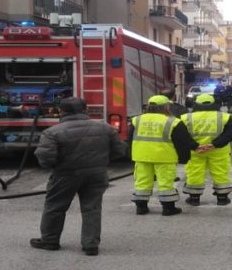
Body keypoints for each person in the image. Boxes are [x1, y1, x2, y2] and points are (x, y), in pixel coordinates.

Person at [31, 97, 127, 256]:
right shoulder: (106, 128)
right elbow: (119, 151)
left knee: (55, 207)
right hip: (97, 174)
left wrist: (58, 166)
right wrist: (100, 161)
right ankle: (91, 245)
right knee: (92, 208)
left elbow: (46, 159)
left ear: (61, 112)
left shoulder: (52, 132)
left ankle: (50, 241)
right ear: (86, 109)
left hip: (65, 175)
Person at [129, 95, 208, 216]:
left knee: (142, 182)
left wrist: (131, 154)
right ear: (166, 106)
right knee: (165, 183)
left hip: (141, 156)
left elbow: (130, 139)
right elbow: (183, 140)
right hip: (164, 157)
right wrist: (194, 148)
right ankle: (168, 208)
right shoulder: (173, 121)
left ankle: (141, 207)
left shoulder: (136, 120)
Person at [180, 94, 232, 206]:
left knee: (194, 173)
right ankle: (222, 198)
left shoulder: (186, 117)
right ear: (213, 104)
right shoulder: (225, 116)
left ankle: (194, 198)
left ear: (196, 104)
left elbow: (182, 135)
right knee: (221, 173)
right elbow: (231, 133)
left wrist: (194, 146)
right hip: (218, 150)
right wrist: (214, 145)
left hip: (196, 151)